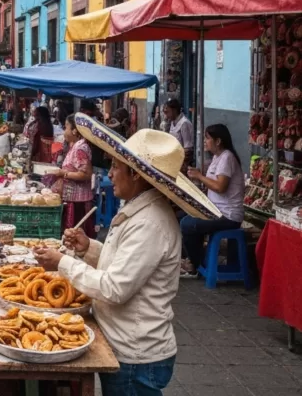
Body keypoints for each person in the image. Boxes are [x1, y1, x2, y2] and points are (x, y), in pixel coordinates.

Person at [34, 114, 221, 395]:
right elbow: (122, 263)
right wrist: (88, 248)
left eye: (115, 166)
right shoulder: (139, 209)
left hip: (137, 355)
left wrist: (63, 263)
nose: (109, 173)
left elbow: (114, 288)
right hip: (125, 345)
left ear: (136, 174)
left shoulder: (151, 222)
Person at [181, 123, 245, 277]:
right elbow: (212, 185)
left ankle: (197, 264)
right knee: (182, 217)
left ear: (218, 141)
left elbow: (220, 187)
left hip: (228, 215)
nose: (204, 141)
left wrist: (199, 176)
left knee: (187, 224)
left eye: (207, 138)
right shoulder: (217, 157)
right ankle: (194, 260)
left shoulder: (227, 157)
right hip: (216, 211)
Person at [51, 114, 96, 238]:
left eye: (66, 127)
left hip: (78, 201)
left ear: (75, 131)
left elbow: (86, 174)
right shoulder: (75, 146)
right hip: (72, 198)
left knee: (77, 235)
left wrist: (63, 173)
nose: (64, 131)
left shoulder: (81, 148)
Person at [163, 98, 194, 170]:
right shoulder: (172, 122)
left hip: (181, 163)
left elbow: (188, 149)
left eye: (168, 112)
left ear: (174, 110)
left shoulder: (184, 123)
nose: (166, 116)